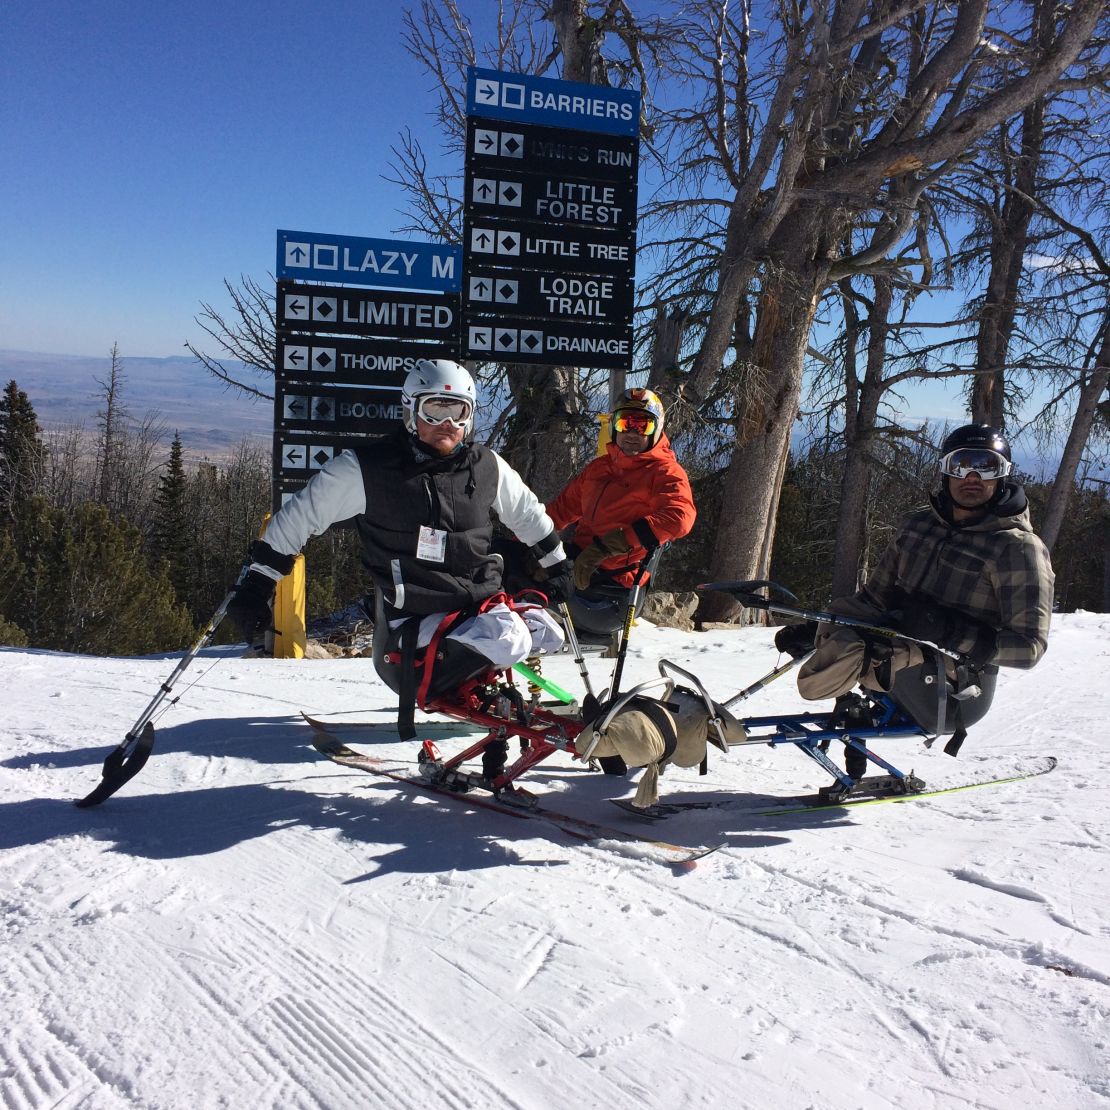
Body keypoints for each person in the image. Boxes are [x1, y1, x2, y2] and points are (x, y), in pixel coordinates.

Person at [226, 359, 574, 764]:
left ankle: (473, 680)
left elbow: (528, 515)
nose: (447, 423)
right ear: (410, 411)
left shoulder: (486, 466)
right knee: (510, 637)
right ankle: (443, 680)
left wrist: (557, 563)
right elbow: (299, 517)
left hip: (476, 605)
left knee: (548, 630)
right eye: (434, 410)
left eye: (457, 411)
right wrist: (258, 582)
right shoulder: (368, 470)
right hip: (414, 619)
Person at [782, 424, 1055, 774]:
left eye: (986, 466)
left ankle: (830, 675)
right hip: (904, 645)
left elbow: (1029, 648)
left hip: (953, 687)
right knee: (840, 612)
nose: (972, 477)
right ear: (945, 471)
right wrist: (821, 627)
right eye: (960, 465)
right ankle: (835, 671)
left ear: (1003, 475)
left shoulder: (1017, 549)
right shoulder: (919, 526)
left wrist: (947, 631)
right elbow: (874, 597)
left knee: (857, 649)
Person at [545, 387, 696, 637]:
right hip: (580, 570)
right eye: (625, 422)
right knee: (506, 562)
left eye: (642, 425)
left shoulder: (664, 472)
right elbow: (560, 511)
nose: (632, 433)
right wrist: (529, 542)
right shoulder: (599, 469)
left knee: (518, 586)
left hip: (612, 594)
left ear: (657, 430)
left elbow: (680, 517)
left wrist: (610, 545)